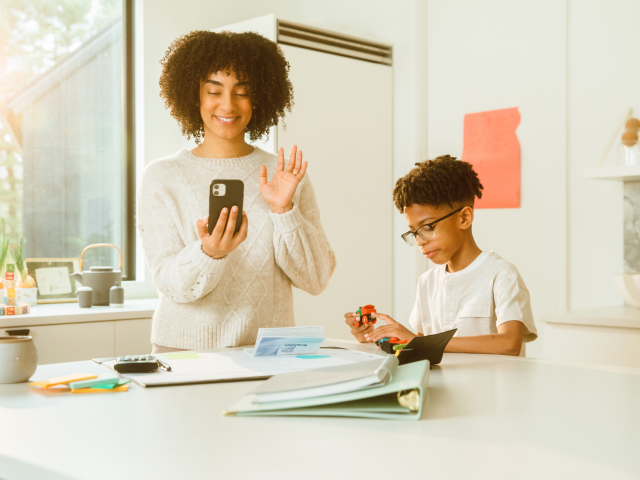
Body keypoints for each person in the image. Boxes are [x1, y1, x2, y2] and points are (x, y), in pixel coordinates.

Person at [138, 31, 336, 353]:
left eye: (242, 92)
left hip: (269, 353)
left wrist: (284, 211)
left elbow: (315, 279)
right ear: (194, 96)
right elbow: (170, 283)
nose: (228, 105)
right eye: (214, 91)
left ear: (259, 97)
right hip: (187, 355)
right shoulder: (162, 176)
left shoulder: (285, 174)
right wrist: (209, 253)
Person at [345, 155, 537, 356]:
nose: (420, 241)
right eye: (413, 232)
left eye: (427, 227)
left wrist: (420, 341)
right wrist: (372, 338)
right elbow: (419, 348)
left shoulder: (501, 275)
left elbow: (509, 344)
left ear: (464, 218)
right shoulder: (427, 282)